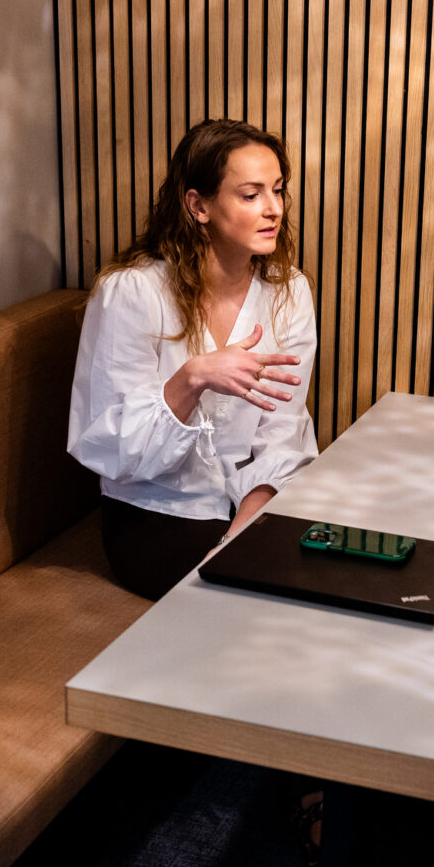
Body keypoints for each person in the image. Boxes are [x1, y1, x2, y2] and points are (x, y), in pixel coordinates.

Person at [68, 119, 317, 600]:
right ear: (198, 205)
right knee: (282, 596)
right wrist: (192, 377)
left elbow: (283, 430)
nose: (273, 209)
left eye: (278, 190)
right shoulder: (131, 293)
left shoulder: (289, 293)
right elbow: (110, 448)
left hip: (251, 504)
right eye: (251, 195)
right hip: (155, 517)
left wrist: (238, 536)